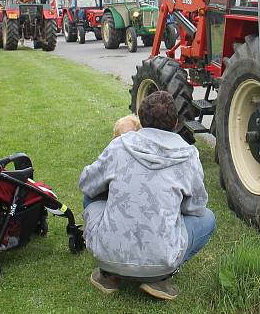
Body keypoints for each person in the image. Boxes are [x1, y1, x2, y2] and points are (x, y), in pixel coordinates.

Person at [79, 91, 215, 300]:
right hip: (161, 262)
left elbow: (87, 184)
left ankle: (108, 274)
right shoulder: (189, 155)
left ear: (141, 119)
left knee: (91, 196)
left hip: (106, 256)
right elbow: (196, 207)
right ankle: (159, 277)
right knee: (207, 218)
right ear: (176, 122)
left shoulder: (119, 145)